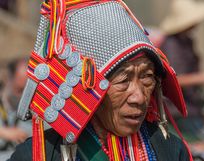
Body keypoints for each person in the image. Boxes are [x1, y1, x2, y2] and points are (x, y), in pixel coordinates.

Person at [8, 0, 193, 161]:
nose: (139, 97)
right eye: (123, 80)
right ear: (88, 88)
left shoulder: (170, 150)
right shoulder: (41, 155)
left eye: (147, 77)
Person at [159, 0, 204, 141]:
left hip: (191, 107)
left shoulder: (185, 41)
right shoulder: (172, 45)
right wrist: (203, 78)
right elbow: (173, 79)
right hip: (179, 112)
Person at [0, 58, 31, 160]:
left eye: (27, 90)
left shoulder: (35, 109)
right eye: (19, 89)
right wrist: (4, 132)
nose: (23, 96)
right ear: (9, 78)